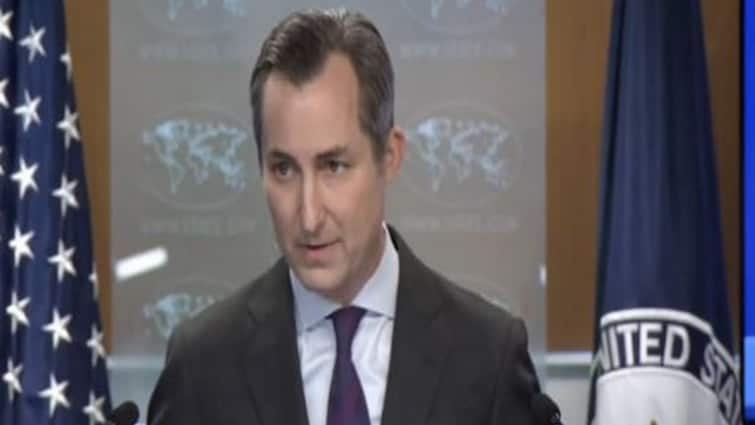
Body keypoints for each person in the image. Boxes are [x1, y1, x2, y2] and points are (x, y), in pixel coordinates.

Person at [147, 8, 540, 425]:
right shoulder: (202, 365)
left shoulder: (487, 356)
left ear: (390, 156)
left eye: (333, 166)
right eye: (284, 169)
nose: (309, 216)